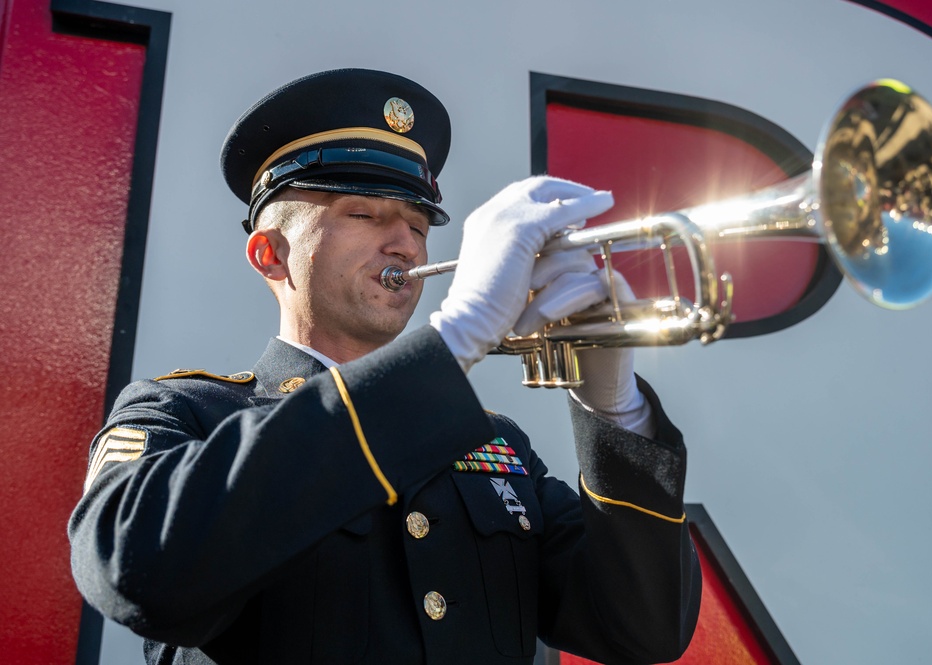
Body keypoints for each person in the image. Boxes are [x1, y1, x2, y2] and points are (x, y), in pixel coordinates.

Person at [68, 68, 701, 665]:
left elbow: (643, 626)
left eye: (419, 223)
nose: (403, 242)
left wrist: (613, 405)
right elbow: (133, 570)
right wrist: (453, 340)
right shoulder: (186, 413)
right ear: (269, 255)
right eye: (364, 214)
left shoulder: (496, 443)